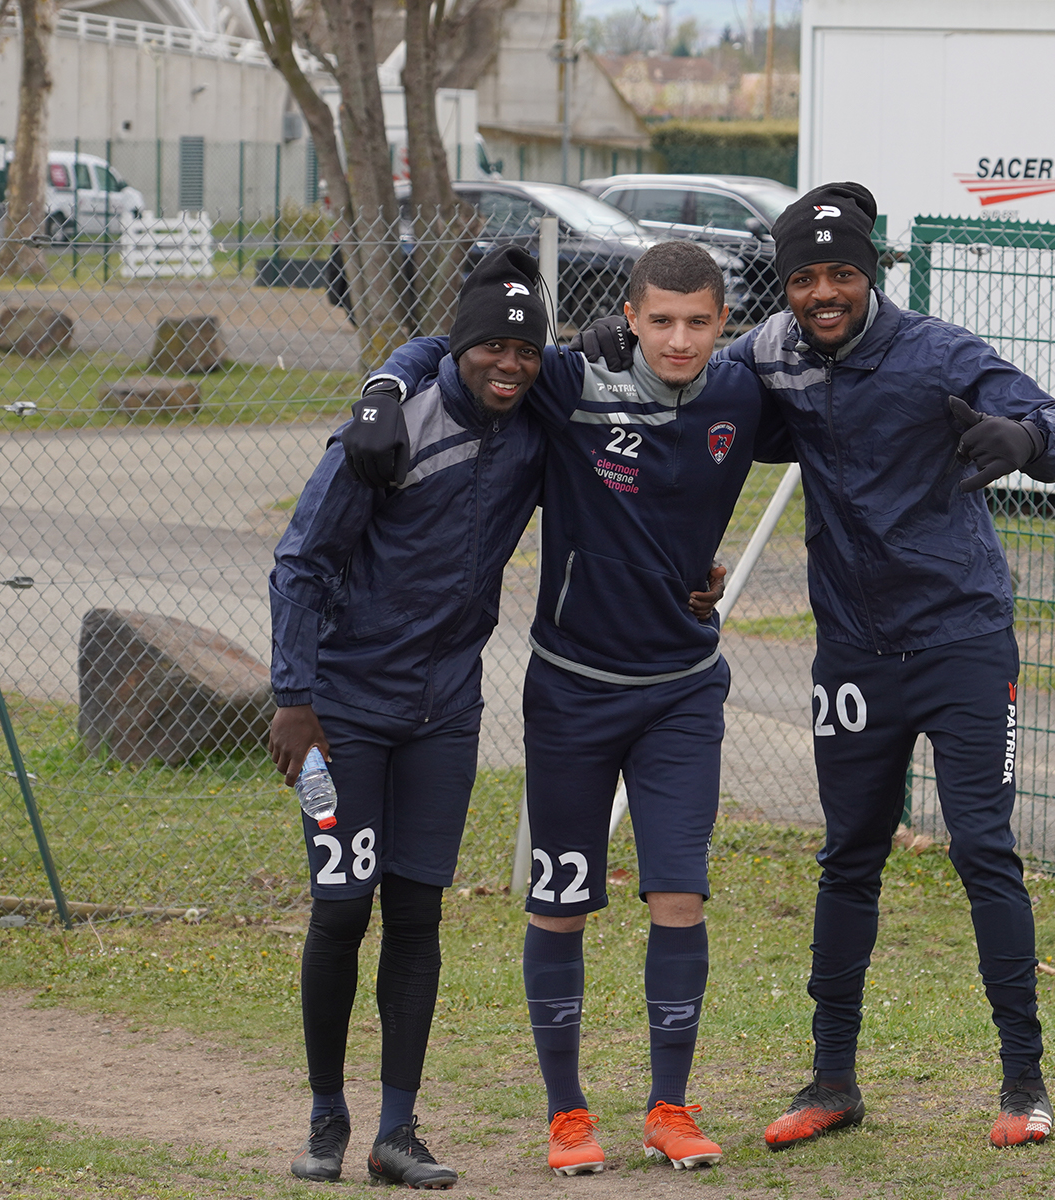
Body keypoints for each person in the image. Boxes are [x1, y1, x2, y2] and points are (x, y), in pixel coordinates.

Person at [577, 182, 1055, 1151]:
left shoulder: (938, 352)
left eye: (840, 274)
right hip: (852, 651)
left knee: (983, 848)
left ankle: (1024, 1085)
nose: (822, 293)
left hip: (962, 641)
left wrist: (1022, 438)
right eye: (804, 276)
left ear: (869, 276)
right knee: (848, 858)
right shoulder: (770, 352)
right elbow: (680, 377)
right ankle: (831, 1081)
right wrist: (612, 340)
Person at [350, 240, 787, 1176]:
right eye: (660, 320)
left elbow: (832, 388)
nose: (678, 339)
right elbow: (454, 343)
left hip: (680, 693)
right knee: (559, 906)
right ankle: (568, 1116)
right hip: (571, 694)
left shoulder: (742, 393)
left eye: (698, 322)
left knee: (678, 895)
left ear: (724, 324)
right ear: (629, 315)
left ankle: (671, 1107)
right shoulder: (567, 380)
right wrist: (382, 391)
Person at [268, 246, 549, 1188]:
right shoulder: (388, 431)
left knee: (418, 913)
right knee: (343, 906)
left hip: (444, 713)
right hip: (342, 714)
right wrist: (293, 699)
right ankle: (325, 1118)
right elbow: (300, 562)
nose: (508, 363)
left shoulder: (532, 425)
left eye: (525, 348)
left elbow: (607, 354)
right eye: (490, 347)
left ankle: (396, 1131)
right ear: (459, 349)